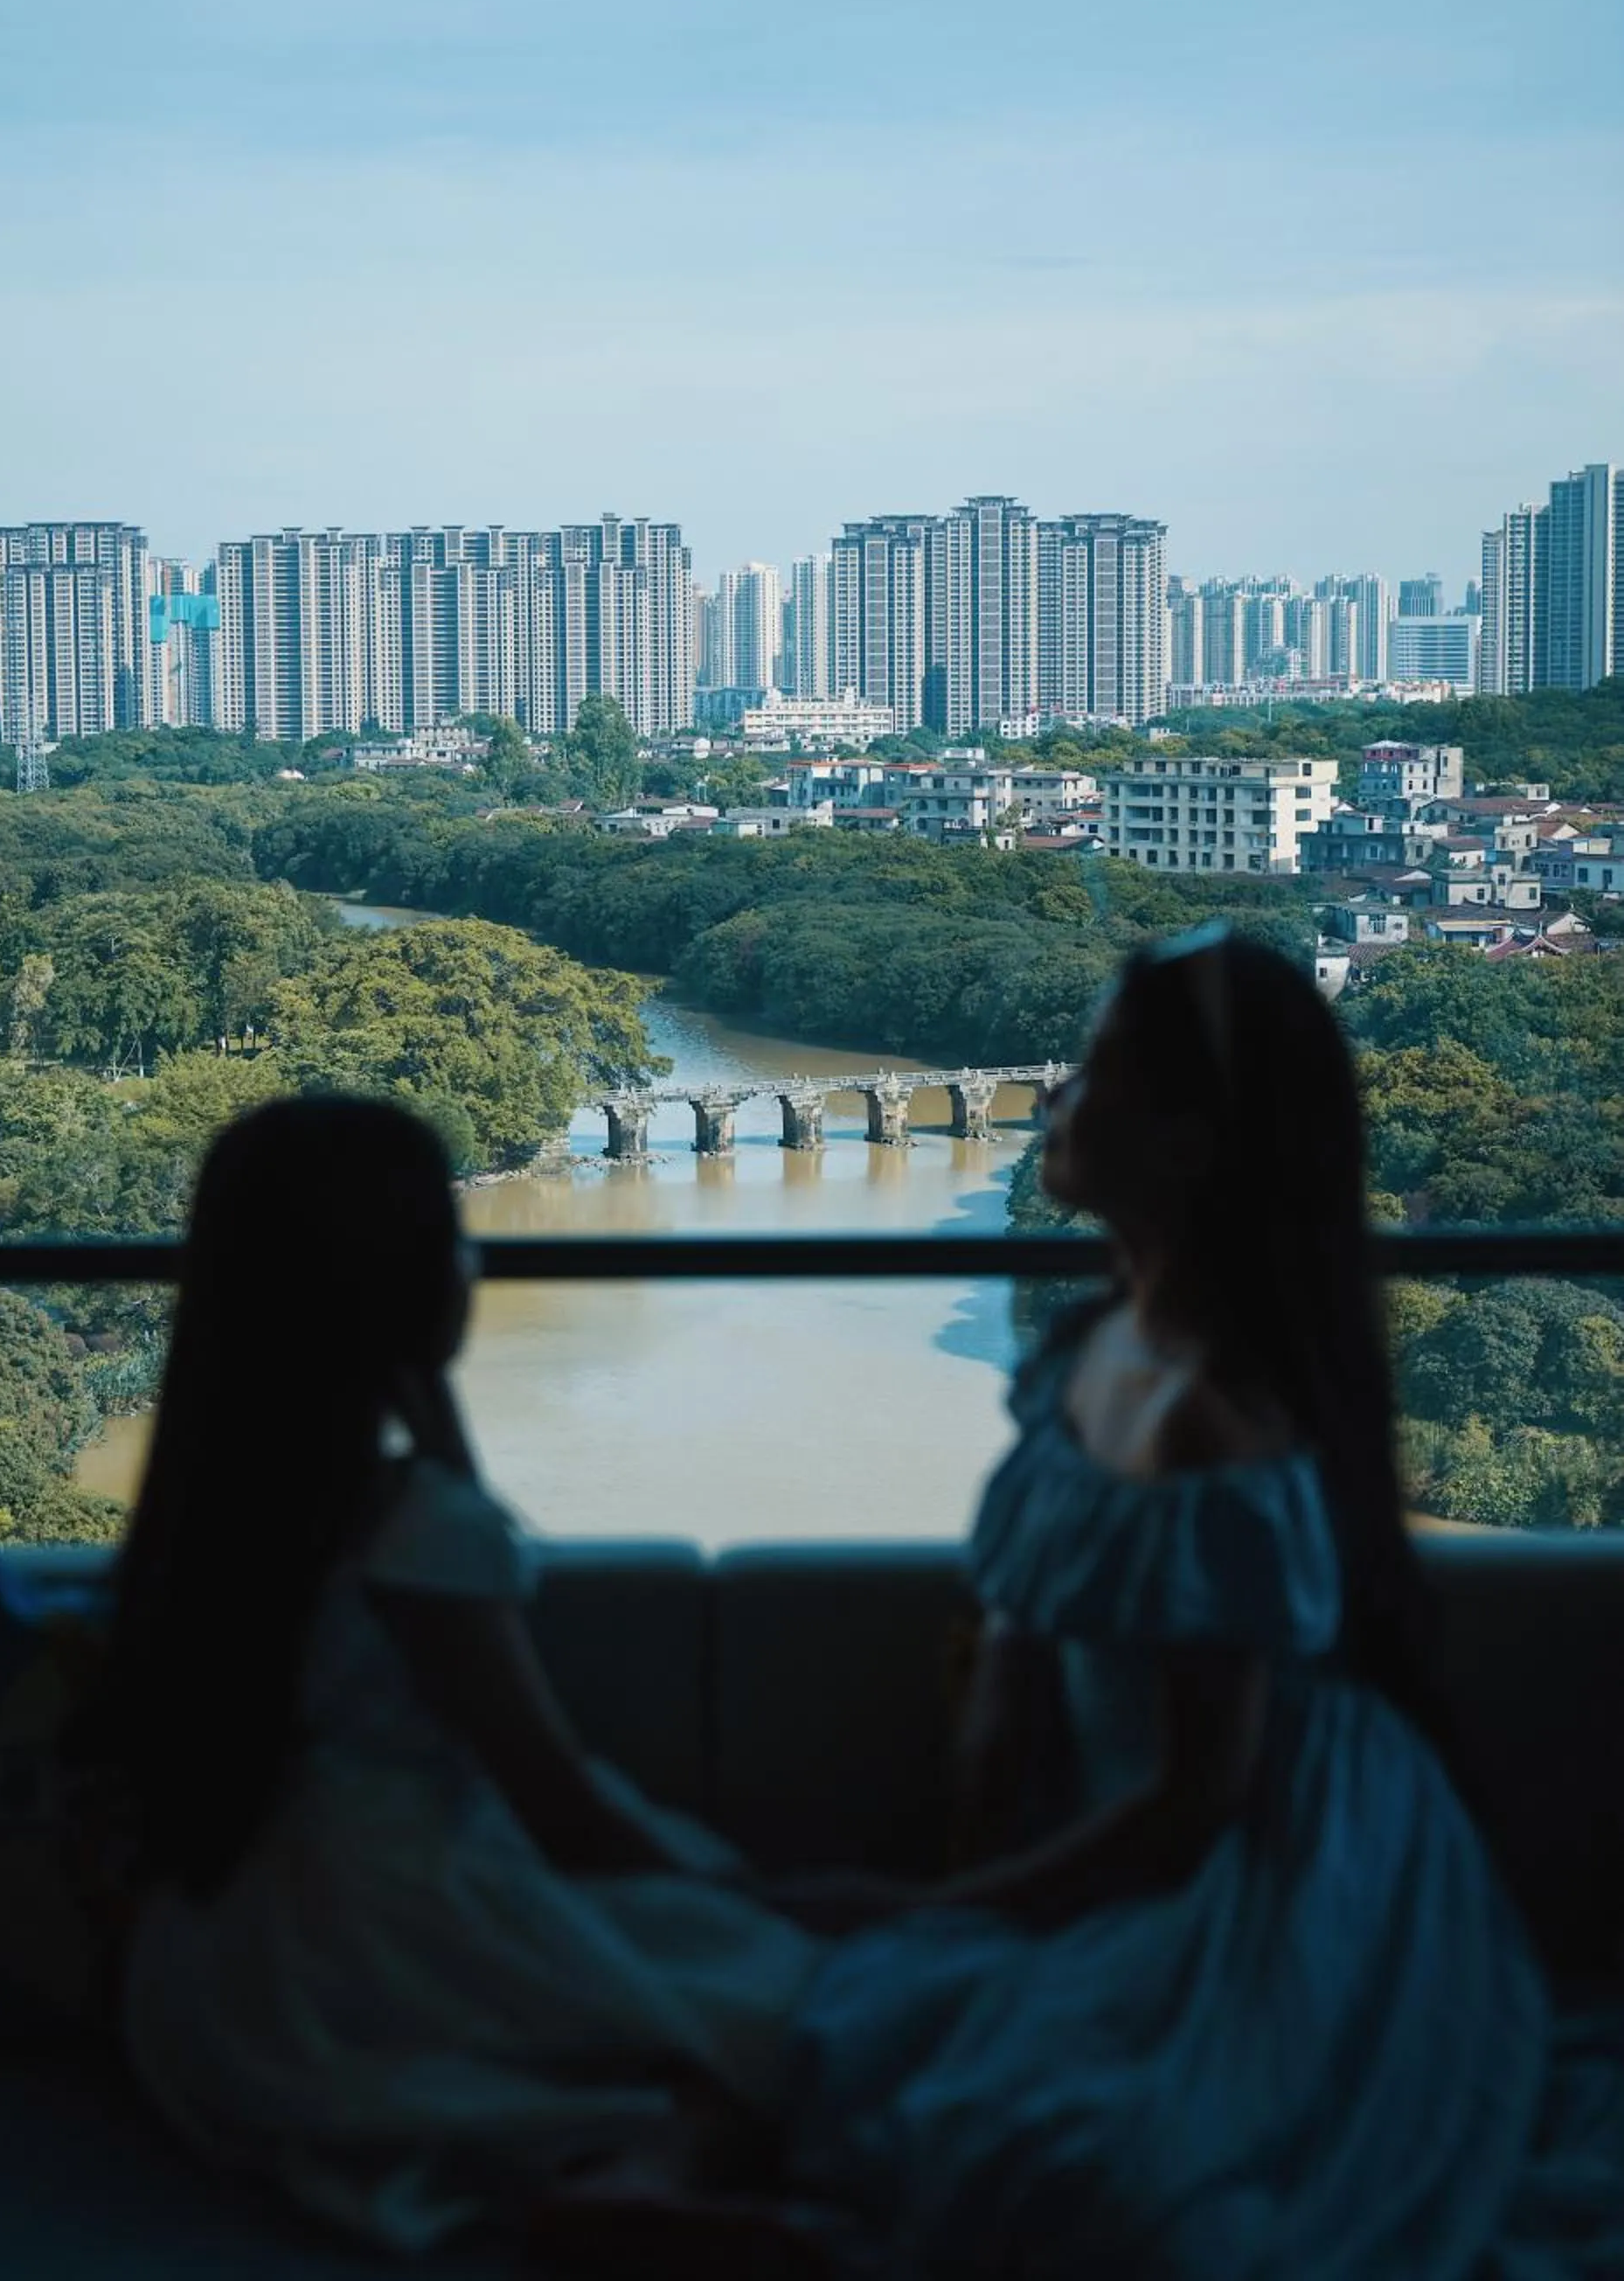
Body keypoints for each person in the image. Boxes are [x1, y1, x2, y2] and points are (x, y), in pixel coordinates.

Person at [779, 925, 1624, 2278]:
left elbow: (1197, 1801)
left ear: (1186, 1145)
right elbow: (1011, 1669)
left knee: (1098, 2176)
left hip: (1278, 1874)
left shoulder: (1211, 1429)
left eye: (1095, 1071)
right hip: (1138, 1839)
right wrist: (957, 1887)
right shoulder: (1084, 1349)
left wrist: (947, 1910)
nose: (1056, 1095)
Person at [85, 1095, 823, 2264]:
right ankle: (646, 2173)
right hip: (382, 1938)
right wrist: (764, 1895)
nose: (476, 1264)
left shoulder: (206, 1508)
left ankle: (609, 2167)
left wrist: (427, 1414)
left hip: (205, 1983)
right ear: (410, 1284)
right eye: (454, 1237)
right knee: (785, 2008)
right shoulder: (418, 1528)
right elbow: (559, 1806)